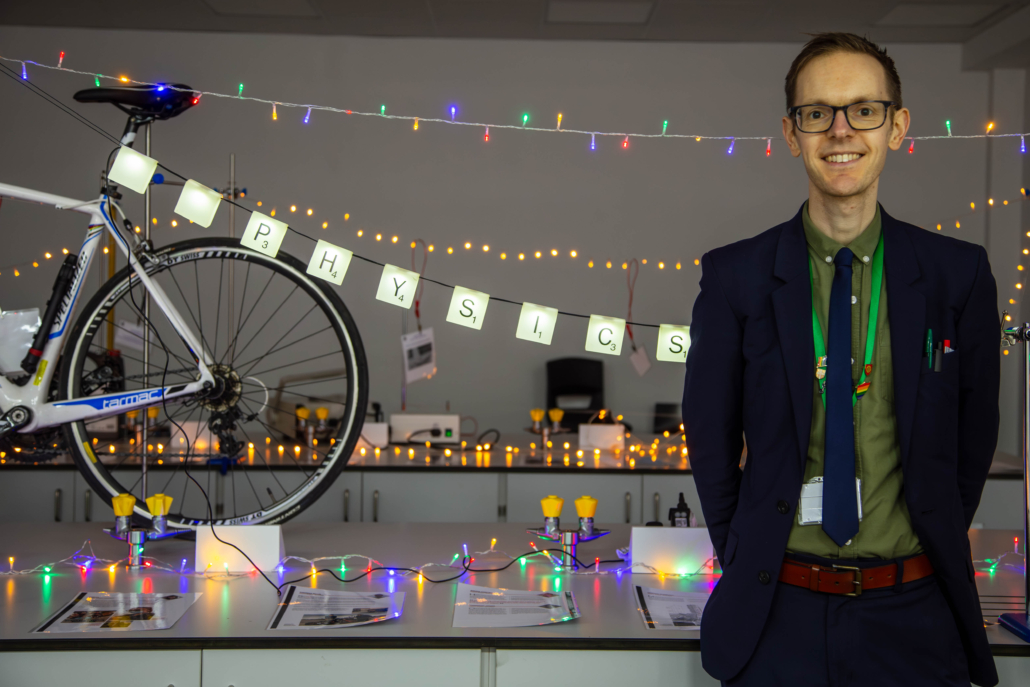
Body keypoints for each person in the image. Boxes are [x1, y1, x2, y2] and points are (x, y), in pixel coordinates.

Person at [682, 33, 999, 686]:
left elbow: (974, 436)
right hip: (776, 615)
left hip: (914, 615)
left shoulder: (957, 274)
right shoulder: (736, 277)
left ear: (897, 127)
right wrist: (745, 552)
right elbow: (710, 437)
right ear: (791, 133)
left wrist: (933, 532)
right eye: (817, 112)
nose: (840, 130)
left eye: (864, 110)